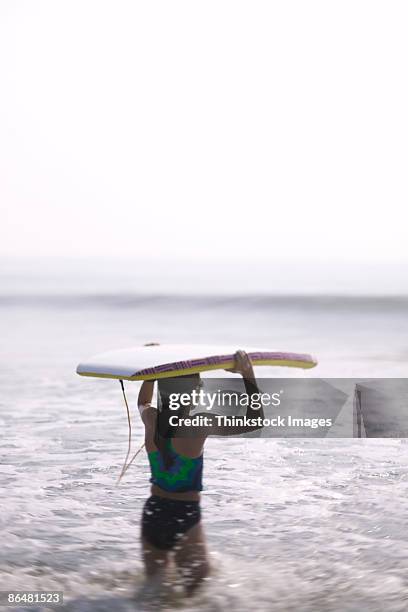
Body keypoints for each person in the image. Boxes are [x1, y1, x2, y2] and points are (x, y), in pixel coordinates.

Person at [137, 350, 264, 595]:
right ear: (195, 392)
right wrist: (248, 374)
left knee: (153, 596)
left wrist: (152, 371)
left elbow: (143, 403)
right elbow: (254, 421)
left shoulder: (151, 418)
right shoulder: (198, 424)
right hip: (184, 514)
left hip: (153, 512)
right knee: (197, 594)